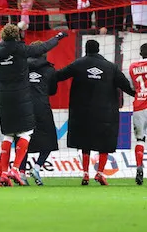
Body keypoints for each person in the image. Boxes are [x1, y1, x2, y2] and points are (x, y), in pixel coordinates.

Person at [0, 24, 64, 186]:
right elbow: (43, 47)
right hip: (21, 96)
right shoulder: (21, 50)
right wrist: (58, 37)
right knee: (26, 132)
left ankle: (2, 174)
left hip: (3, 97)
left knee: (8, 134)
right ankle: (15, 168)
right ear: (17, 36)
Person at [55, 39, 135, 186]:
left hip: (82, 112)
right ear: (98, 50)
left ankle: (85, 173)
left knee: (85, 141)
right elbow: (126, 87)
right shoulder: (111, 67)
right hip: (106, 113)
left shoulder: (78, 64)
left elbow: (59, 76)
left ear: (86, 49)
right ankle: (100, 173)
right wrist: (140, 95)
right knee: (105, 142)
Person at [25, 46, 57, 187]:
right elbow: (53, 90)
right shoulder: (50, 69)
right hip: (43, 107)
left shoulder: (22, 68)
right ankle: (37, 167)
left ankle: (20, 172)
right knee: (49, 140)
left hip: (24, 107)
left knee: (23, 140)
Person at [128, 43, 147, 185]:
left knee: (140, 139)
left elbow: (130, 87)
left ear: (141, 53)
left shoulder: (133, 67)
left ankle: (139, 166)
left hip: (139, 106)